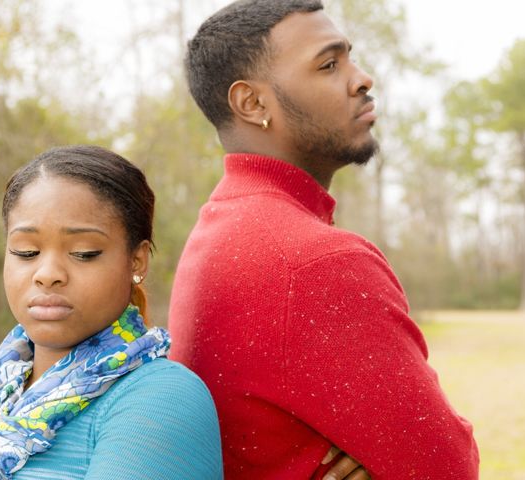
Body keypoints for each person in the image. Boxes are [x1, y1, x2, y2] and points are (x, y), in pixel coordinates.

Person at [168, 1, 480, 479]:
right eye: (329, 65)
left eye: (350, 58)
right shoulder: (313, 262)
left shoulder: (221, 228)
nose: (362, 79)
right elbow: (447, 468)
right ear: (252, 104)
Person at [0, 145, 222, 479]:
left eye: (84, 252)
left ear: (137, 260)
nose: (47, 273)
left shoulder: (161, 399)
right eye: (26, 251)